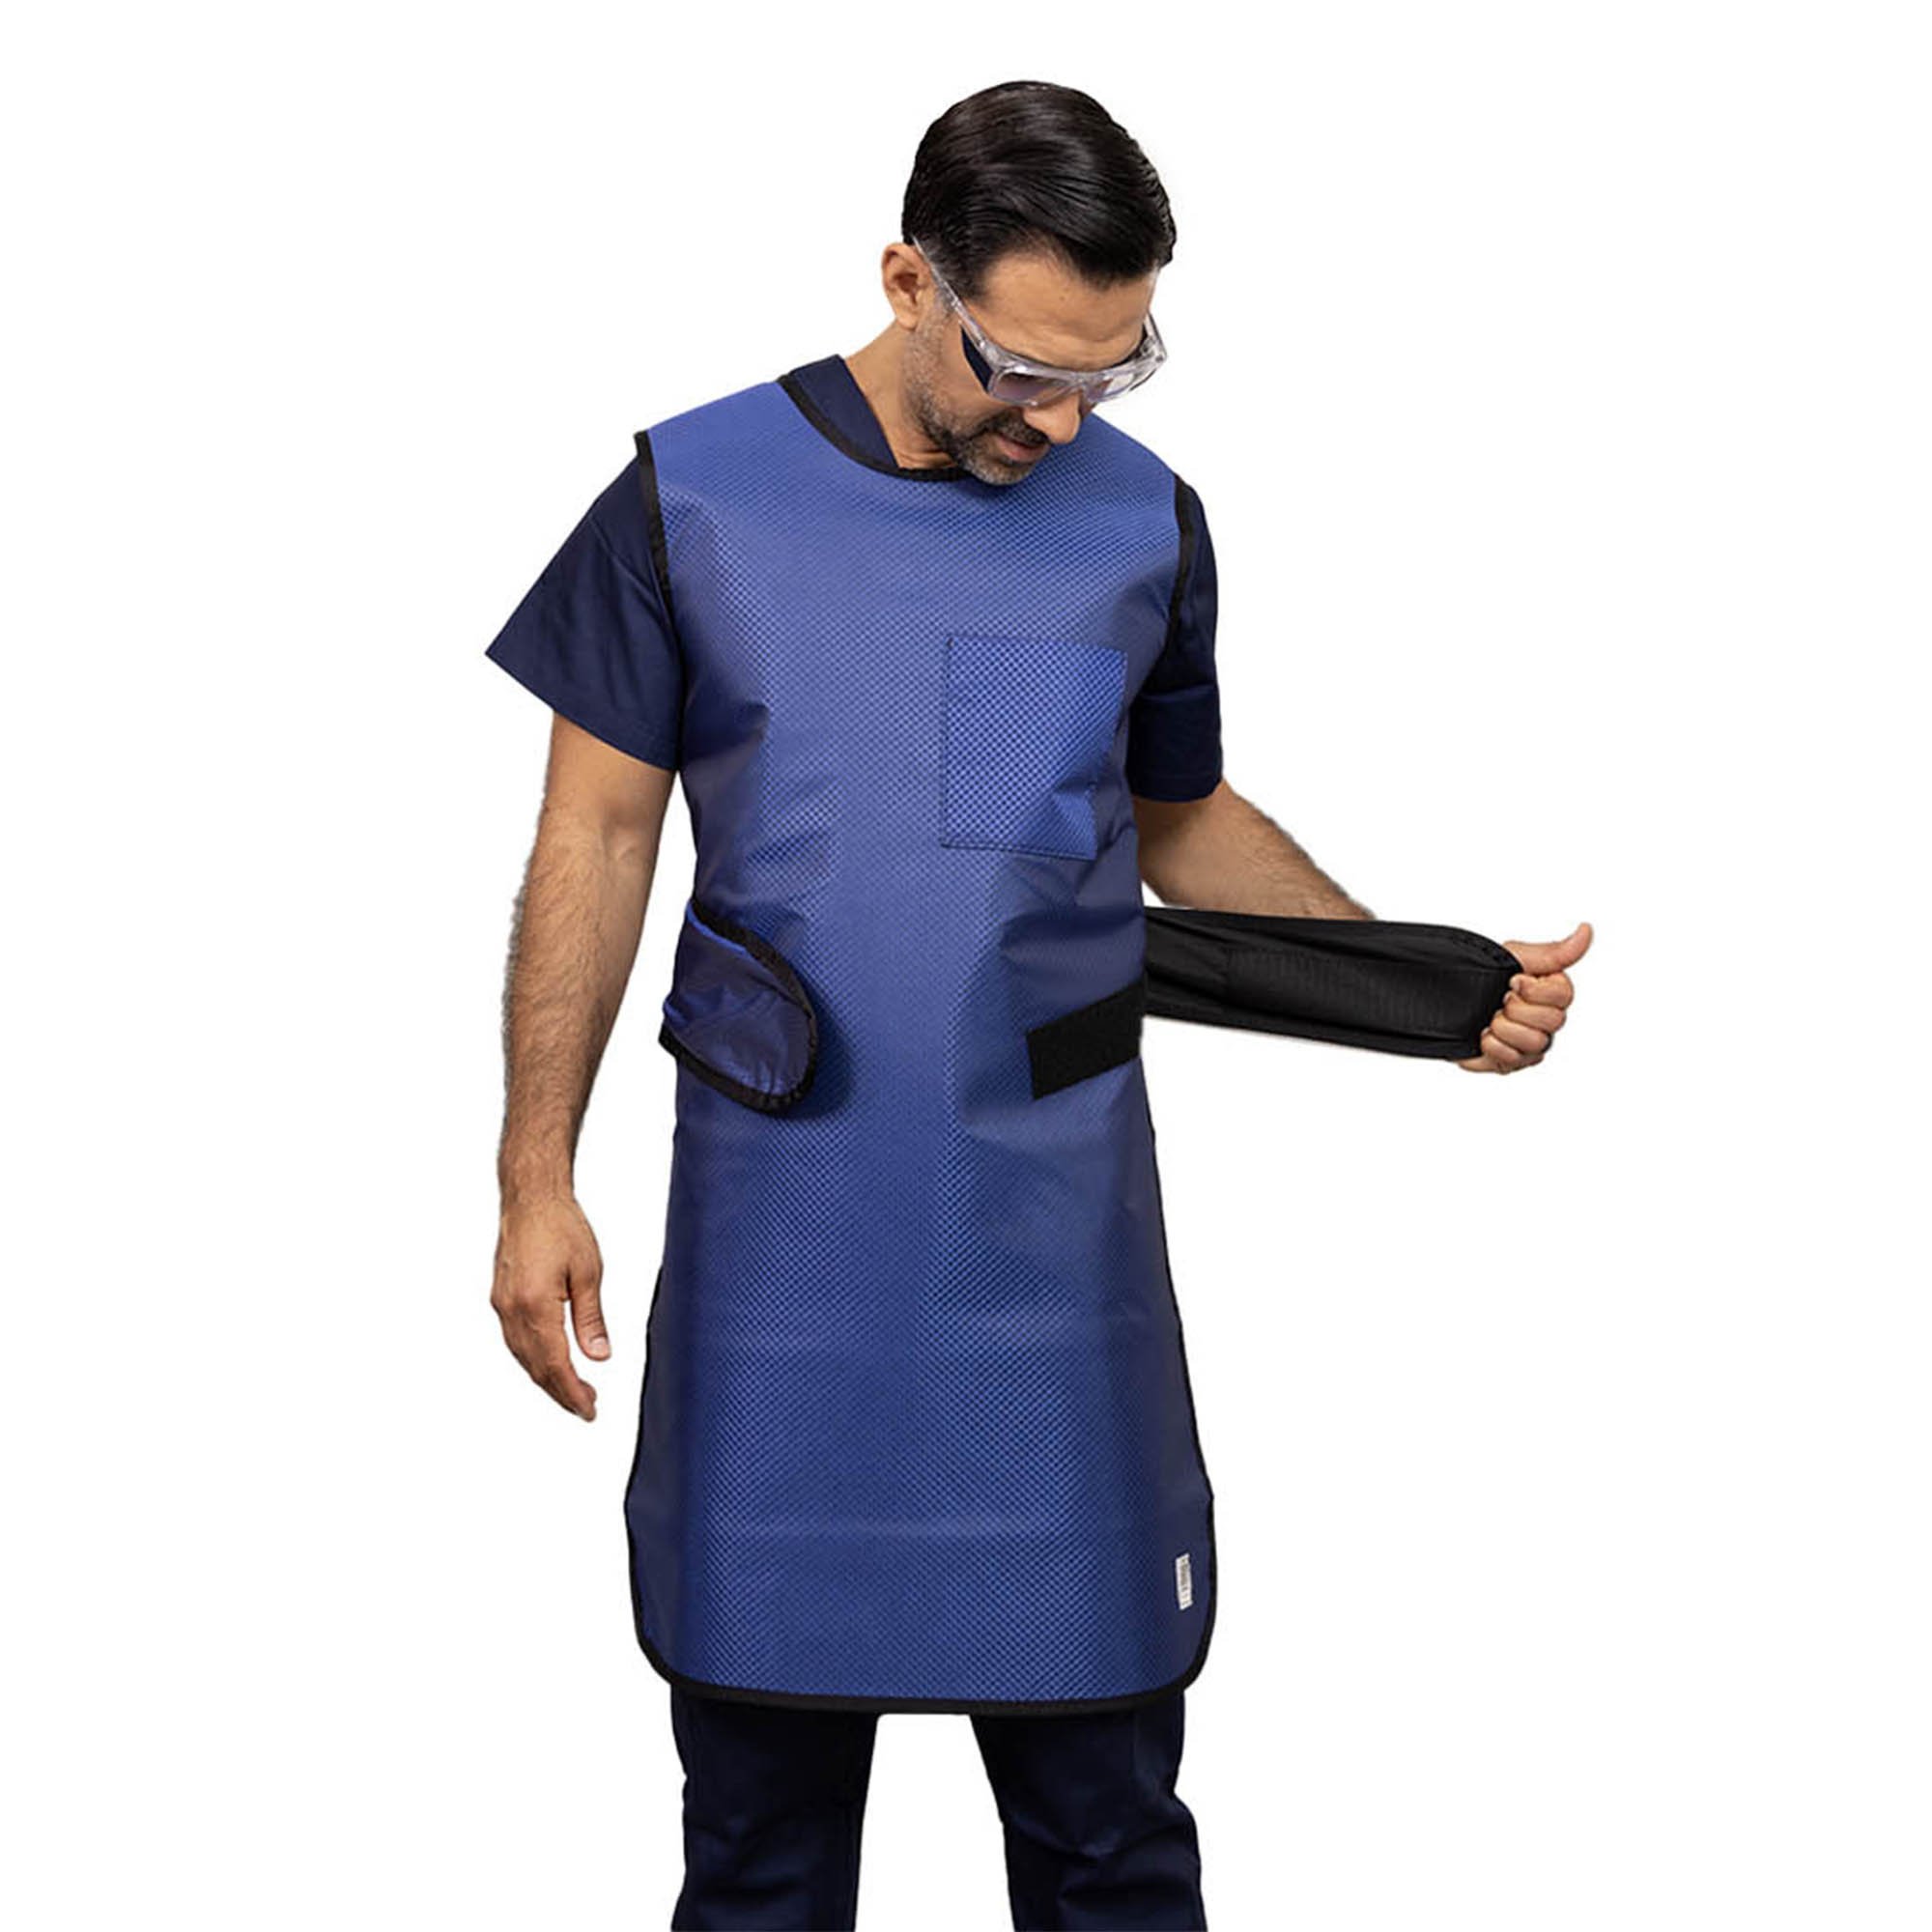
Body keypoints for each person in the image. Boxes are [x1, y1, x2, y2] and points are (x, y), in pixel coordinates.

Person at [483, 78, 1587, 1932]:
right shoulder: (688, 496)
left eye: (1112, 371)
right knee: (757, 1856)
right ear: (907, 279)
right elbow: (594, 836)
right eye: (1019, 370)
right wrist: (535, 1178)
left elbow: (1175, 818)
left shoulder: (1139, 523)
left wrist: (1408, 986)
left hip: (1051, 1270)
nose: (1060, 420)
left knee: (1108, 1845)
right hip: (784, 1261)